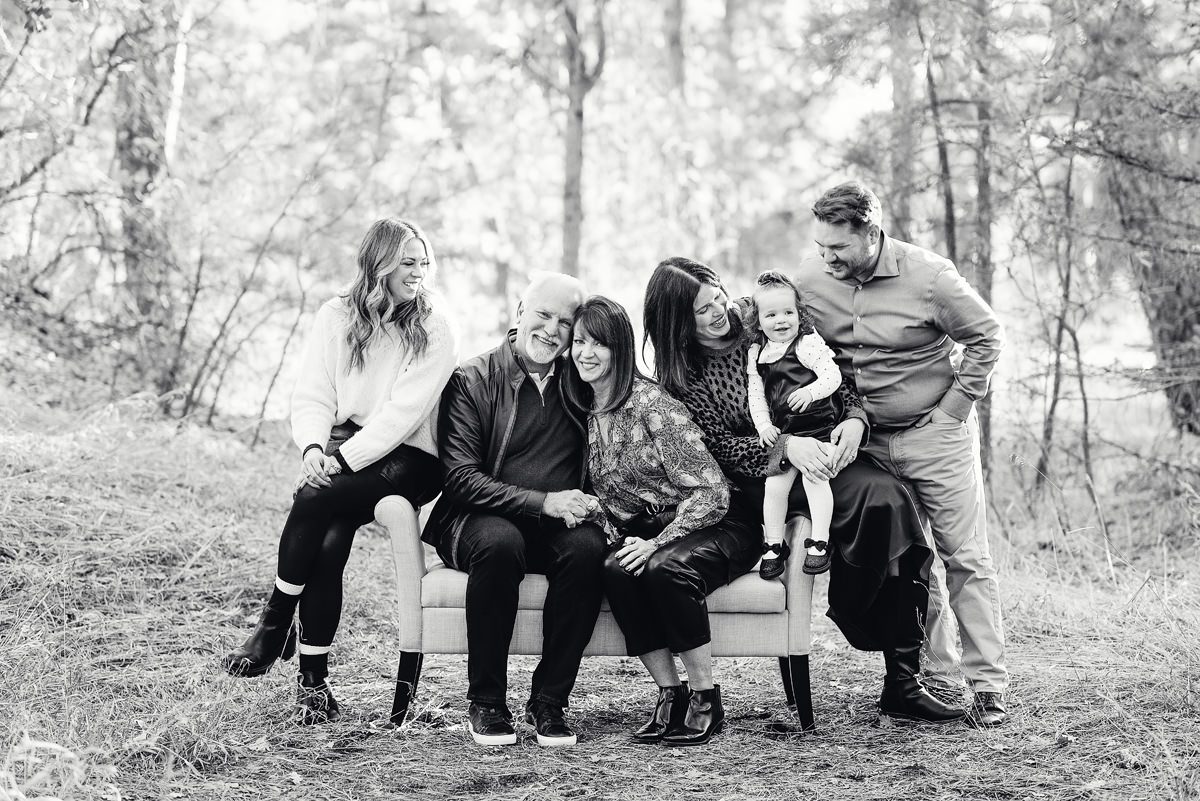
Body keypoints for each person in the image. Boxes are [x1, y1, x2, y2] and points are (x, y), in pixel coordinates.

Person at [644, 256, 964, 725]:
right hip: (763, 480)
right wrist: (787, 447)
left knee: (888, 498)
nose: (719, 313)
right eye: (701, 310)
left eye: (718, 297)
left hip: (826, 448)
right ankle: (858, 610)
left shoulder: (763, 316)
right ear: (676, 324)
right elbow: (719, 448)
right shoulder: (685, 376)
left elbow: (831, 370)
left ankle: (901, 681)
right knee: (828, 497)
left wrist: (855, 418)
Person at [222, 218, 457, 724]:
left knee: (312, 499)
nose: (418, 273)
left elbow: (402, 414)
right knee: (327, 542)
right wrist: (312, 447)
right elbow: (313, 392)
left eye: (423, 263)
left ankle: (275, 620)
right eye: (406, 263)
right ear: (380, 264)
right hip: (342, 448)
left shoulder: (433, 325)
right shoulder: (335, 315)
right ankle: (313, 686)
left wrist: (341, 462)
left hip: (411, 458)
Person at [797, 180, 1008, 728]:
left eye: (838, 248)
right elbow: (765, 327)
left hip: (933, 434)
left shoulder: (930, 276)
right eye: (821, 248)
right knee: (914, 559)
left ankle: (987, 684)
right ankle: (934, 674)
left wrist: (954, 409)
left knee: (965, 557)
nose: (827, 259)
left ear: (871, 233)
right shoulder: (812, 281)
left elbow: (987, 335)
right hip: (861, 444)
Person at [563, 295, 760, 746]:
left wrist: (656, 543)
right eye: (578, 342)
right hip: (658, 528)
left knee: (663, 566)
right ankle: (670, 695)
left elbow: (708, 488)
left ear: (621, 348)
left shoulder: (652, 404)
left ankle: (705, 697)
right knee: (616, 567)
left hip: (720, 520)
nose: (585, 353)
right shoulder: (590, 410)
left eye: (599, 344)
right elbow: (616, 502)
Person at [421, 273, 608, 748]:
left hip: (554, 523)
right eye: (543, 315)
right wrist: (543, 502)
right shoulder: (473, 378)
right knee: (501, 542)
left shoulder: (580, 381)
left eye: (565, 322)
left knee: (588, 547)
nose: (551, 330)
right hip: (474, 518)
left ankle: (549, 701)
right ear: (519, 310)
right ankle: (485, 703)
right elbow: (460, 480)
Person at [745, 269, 844, 579]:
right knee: (774, 487)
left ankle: (820, 542)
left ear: (799, 314)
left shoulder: (807, 343)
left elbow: (833, 376)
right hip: (785, 435)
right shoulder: (757, 354)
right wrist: (763, 426)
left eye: (788, 312)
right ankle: (773, 545)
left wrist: (811, 391)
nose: (781, 320)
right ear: (758, 320)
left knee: (816, 478)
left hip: (816, 429)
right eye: (771, 314)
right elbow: (756, 396)